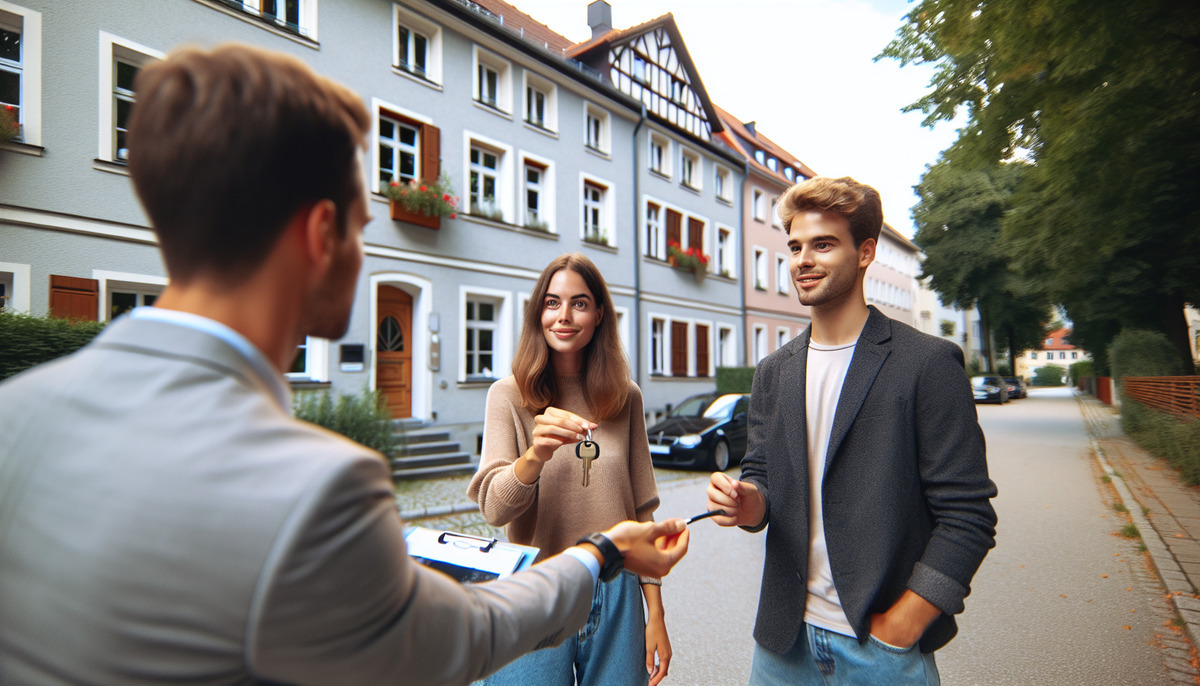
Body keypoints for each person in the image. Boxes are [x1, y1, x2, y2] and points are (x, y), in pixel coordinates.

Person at [0, 44, 688, 685]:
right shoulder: (321, 486)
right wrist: (599, 556)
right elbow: (458, 639)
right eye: (361, 229)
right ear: (320, 233)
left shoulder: (13, 416)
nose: (363, 257)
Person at [706, 176, 997, 684]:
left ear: (865, 252)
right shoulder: (774, 370)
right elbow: (762, 478)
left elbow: (968, 514)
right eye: (795, 246)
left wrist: (904, 623)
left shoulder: (927, 364)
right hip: (782, 642)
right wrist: (746, 500)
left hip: (879, 647)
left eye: (823, 244)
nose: (802, 260)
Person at [467, 253, 668, 686]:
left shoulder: (624, 397)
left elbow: (642, 513)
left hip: (616, 590)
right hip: (536, 583)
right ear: (538, 312)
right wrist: (534, 456)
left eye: (579, 303)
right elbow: (495, 511)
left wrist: (656, 613)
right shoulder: (508, 395)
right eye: (552, 302)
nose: (564, 316)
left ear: (599, 314)